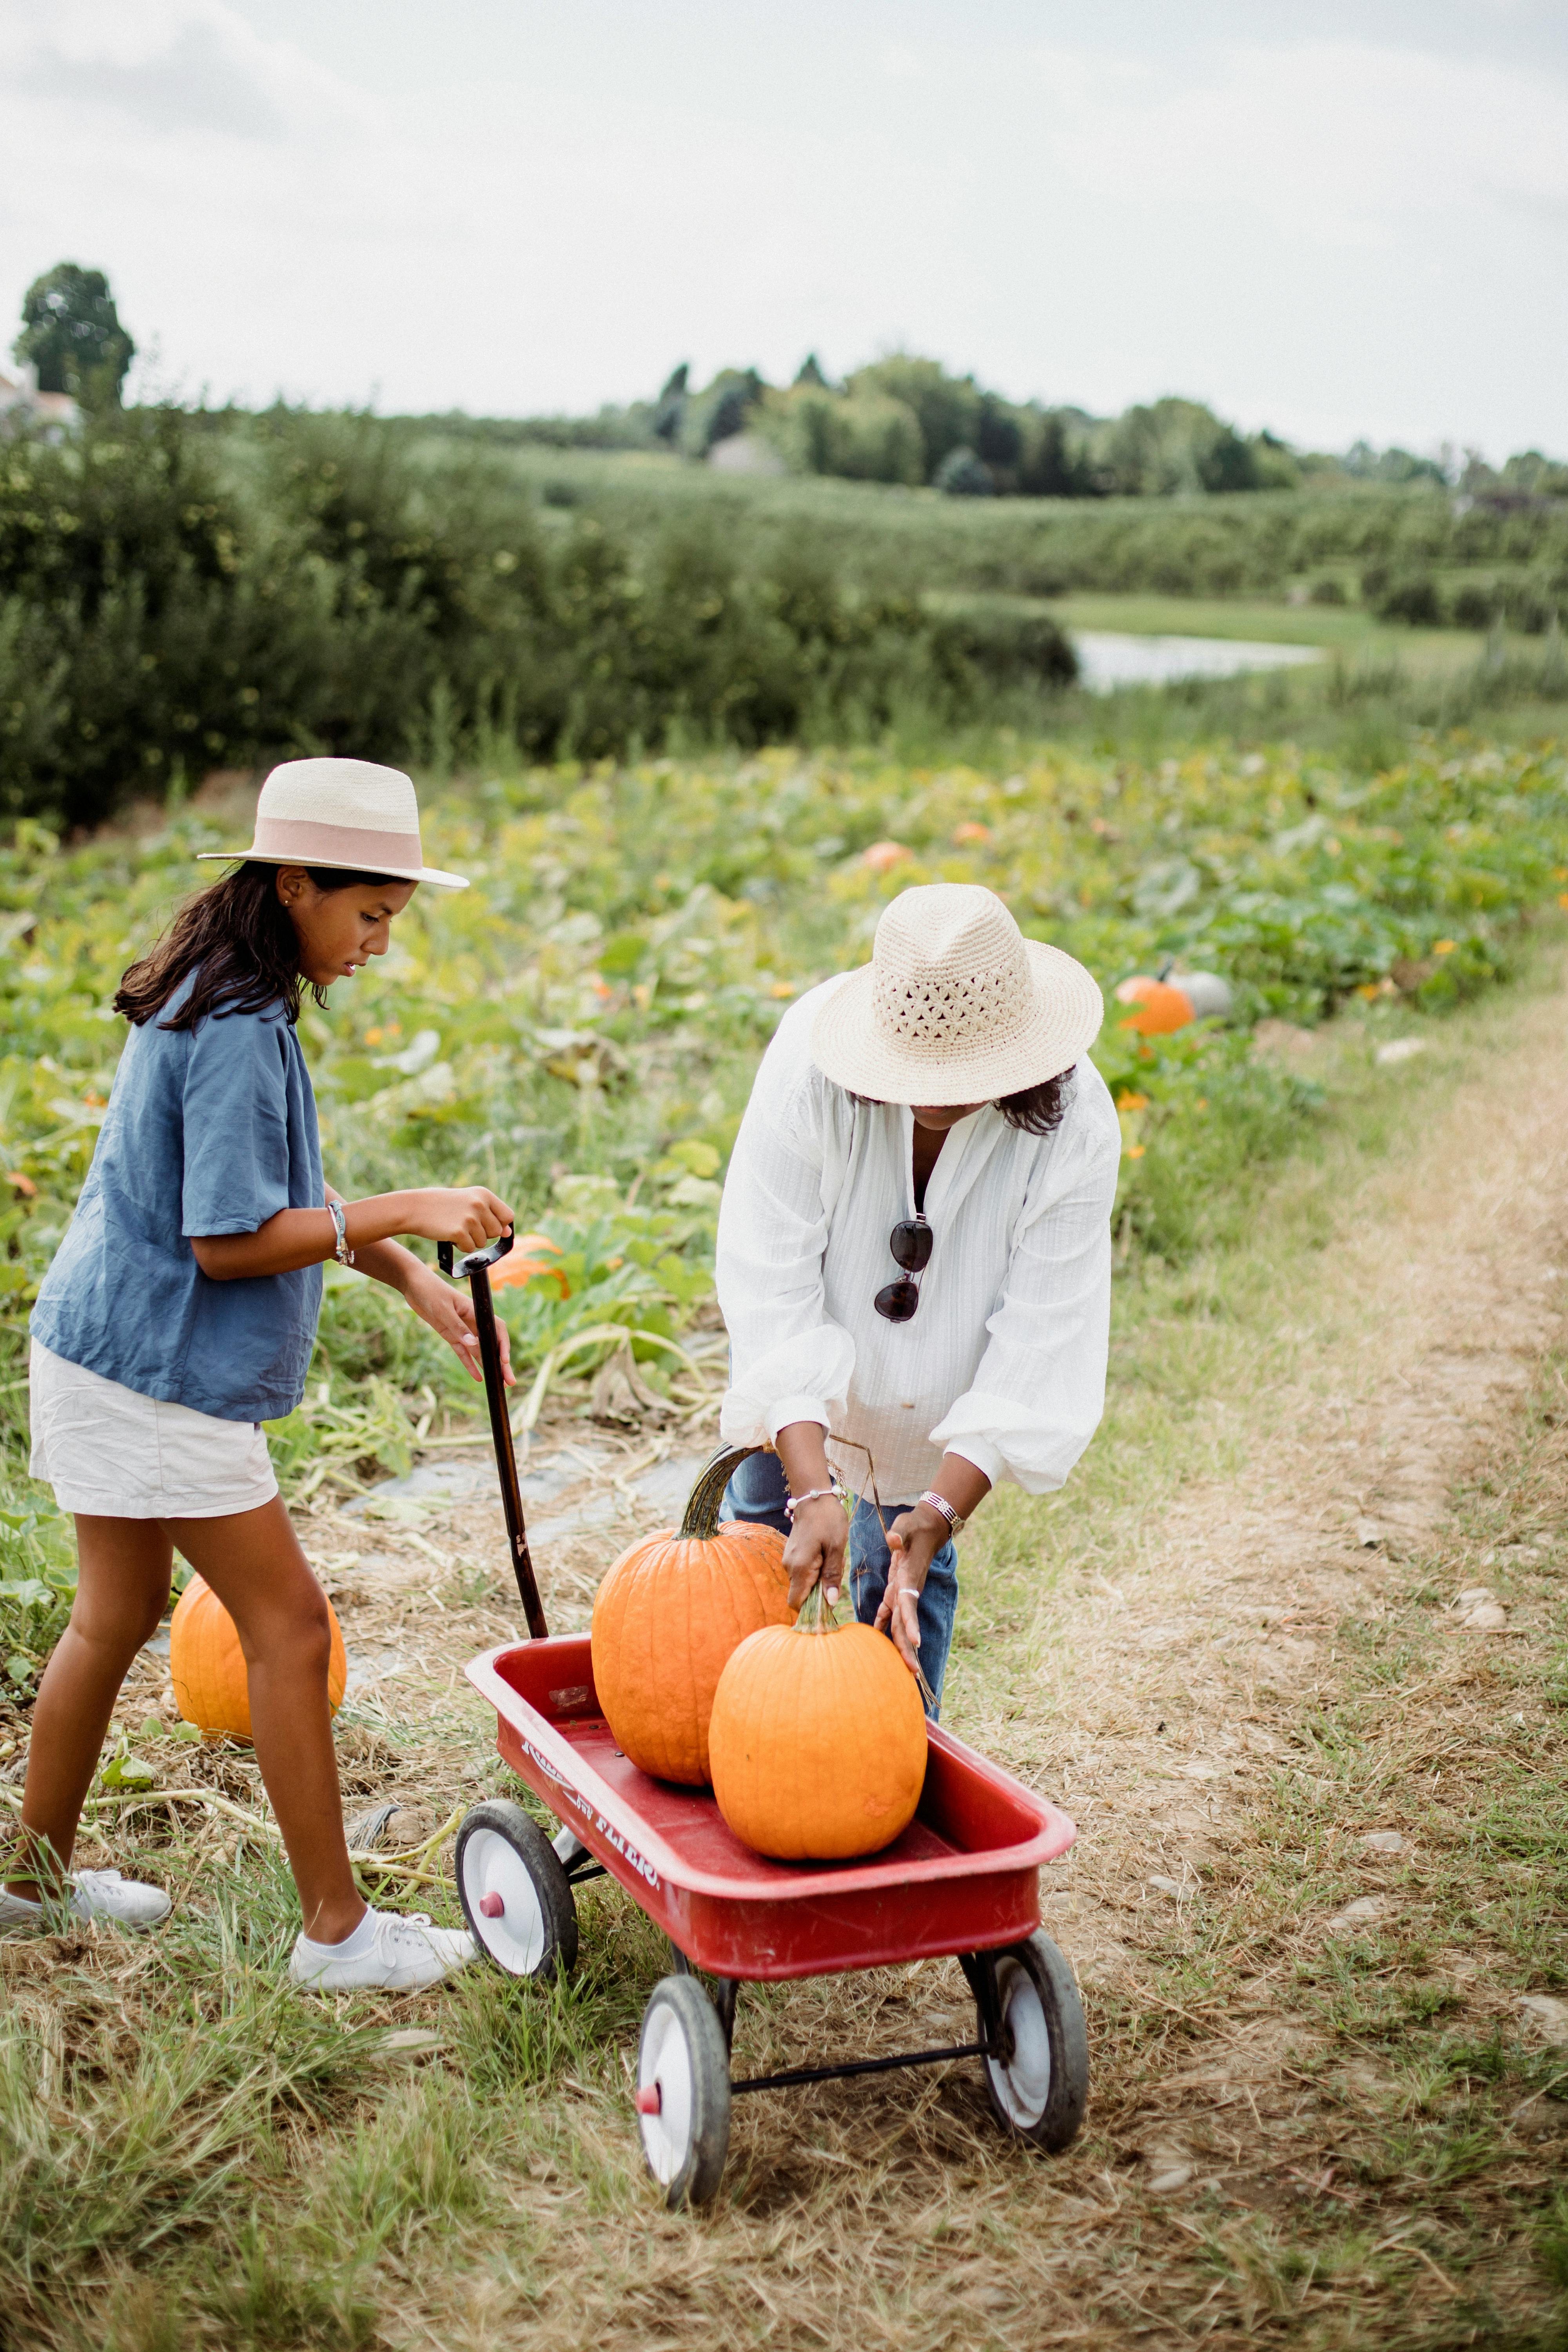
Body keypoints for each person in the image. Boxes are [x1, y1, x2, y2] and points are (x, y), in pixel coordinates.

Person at [8, 758, 514, 1991]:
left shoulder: (223, 990)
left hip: (101, 1346)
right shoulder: (237, 1025)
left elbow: (278, 1195)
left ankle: (25, 1884)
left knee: (115, 1616)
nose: (381, 943)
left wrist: (407, 1275)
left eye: (393, 917)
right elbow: (226, 1243)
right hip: (158, 1372)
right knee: (288, 1629)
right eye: (370, 914)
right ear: (295, 885)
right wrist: (410, 1206)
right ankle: (337, 1934)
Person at [716, 882, 1119, 1715]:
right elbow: (770, 1278)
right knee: (755, 1547)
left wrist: (936, 1512)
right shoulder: (808, 1069)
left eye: (965, 1073)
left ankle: (893, 1779)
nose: (936, 1092)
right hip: (806, 1362)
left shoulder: (1076, 1125)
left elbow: (1041, 1337)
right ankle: (731, 1745)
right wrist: (810, 1489)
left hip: (942, 1392)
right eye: (916, 1070)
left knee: (904, 1580)